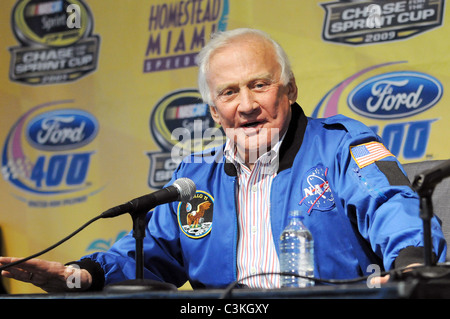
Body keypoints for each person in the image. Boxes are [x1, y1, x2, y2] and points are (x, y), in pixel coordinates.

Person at [0, 28, 447, 292]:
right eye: (229, 93)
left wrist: (411, 267)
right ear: (214, 110)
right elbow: (148, 256)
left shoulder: (342, 147)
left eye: (260, 85)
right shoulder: (194, 177)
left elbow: (395, 209)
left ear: (289, 91)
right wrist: (83, 274)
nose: (246, 104)